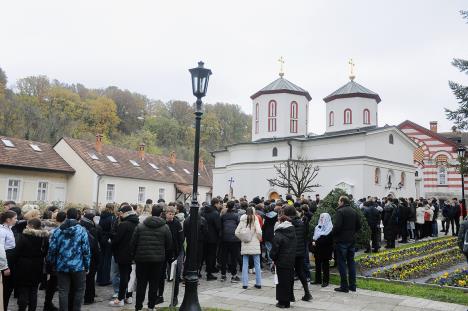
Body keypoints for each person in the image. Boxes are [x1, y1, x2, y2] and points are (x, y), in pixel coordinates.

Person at [47, 208, 90, 311]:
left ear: (66, 216)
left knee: (63, 291)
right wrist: (87, 265)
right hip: (78, 266)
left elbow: (52, 248)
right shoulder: (81, 230)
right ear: (77, 216)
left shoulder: (58, 230)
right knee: (79, 290)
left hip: (62, 265)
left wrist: (51, 262)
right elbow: (86, 250)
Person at [130, 204, 172, 311]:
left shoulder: (140, 226)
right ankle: (151, 306)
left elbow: (133, 243)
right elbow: (169, 244)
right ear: (161, 214)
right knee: (154, 284)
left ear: (151, 212)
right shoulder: (165, 227)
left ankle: (138, 307)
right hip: (157, 260)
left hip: (141, 259)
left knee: (141, 284)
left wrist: (134, 256)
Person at [14, 218, 49, 311]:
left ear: (32, 226)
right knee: (34, 290)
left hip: (24, 265)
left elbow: (17, 251)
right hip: (38, 265)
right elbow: (46, 252)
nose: (26, 226)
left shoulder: (23, 236)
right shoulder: (44, 238)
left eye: (27, 224)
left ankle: (21, 309)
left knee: (23, 290)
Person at [109, 205, 139, 307]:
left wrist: (111, 242)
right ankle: (128, 296)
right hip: (133, 254)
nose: (120, 215)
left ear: (125, 213)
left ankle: (120, 299)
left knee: (124, 276)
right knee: (130, 276)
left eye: (121, 213)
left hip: (123, 254)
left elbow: (117, 240)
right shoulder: (137, 223)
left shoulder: (124, 224)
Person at [333, 196, 361, 293]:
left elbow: (337, 227)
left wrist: (333, 234)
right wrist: (353, 233)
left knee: (341, 263)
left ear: (342, 202)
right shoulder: (354, 211)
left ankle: (344, 286)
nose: (337, 202)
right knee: (351, 263)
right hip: (351, 240)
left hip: (342, 240)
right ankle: (352, 285)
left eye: (338, 200)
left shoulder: (340, 211)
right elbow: (359, 225)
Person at [284, 206, 311, 301]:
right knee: (300, 272)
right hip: (300, 251)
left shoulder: (287, 224)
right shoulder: (301, 222)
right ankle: (307, 293)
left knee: (290, 273)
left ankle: (291, 295)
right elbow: (305, 237)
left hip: (290, 252)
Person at [270, 215, 296, 309]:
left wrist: (272, 257)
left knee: (281, 282)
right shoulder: (293, 232)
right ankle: (287, 302)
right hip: (290, 260)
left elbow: (274, 250)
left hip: (281, 261)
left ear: (281, 222)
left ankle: (281, 302)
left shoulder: (279, 233)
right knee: (288, 281)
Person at [235, 206, 262, 289]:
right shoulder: (255, 219)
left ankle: (245, 284)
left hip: (245, 244)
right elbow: (259, 231)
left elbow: (236, 232)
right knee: (257, 264)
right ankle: (258, 283)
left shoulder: (242, 220)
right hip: (255, 244)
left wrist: (242, 238)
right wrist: (259, 238)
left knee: (245, 264)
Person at [43, 210, 66, 311]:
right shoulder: (58, 231)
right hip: (57, 261)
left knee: (52, 282)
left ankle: (47, 303)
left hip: (51, 260)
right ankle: (48, 304)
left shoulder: (51, 230)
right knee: (55, 283)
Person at [200, 198, 222, 281]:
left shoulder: (202, 212)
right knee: (211, 256)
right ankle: (209, 274)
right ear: (215, 204)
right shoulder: (215, 213)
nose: (220, 205)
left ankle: (198, 272)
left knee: (203, 255)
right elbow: (218, 227)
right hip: (212, 238)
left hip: (203, 237)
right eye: (219, 203)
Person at [220, 201, 241, 283]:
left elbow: (220, 226)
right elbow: (239, 226)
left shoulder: (223, 216)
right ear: (233, 207)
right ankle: (233, 275)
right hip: (234, 239)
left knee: (224, 257)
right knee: (233, 258)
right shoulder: (236, 216)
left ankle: (223, 275)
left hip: (224, 238)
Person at [0, 210, 17, 311]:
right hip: (6, 259)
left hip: (10, 258)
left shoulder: (8, 228)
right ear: (8, 220)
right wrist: (5, 266)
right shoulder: (2, 231)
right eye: (15, 218)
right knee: (5, 288)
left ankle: (4, 307)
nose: (16, 220)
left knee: (9, 287)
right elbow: (1, 249)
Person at [312, 213, 333, 287]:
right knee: (317, 264)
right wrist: (313, 241)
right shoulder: (318, 226)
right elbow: (315, 235)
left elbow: (327, 239)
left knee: (325, 265)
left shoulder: (330, 227)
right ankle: (318, 280)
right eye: (321, 217)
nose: (321, 219)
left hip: (325, 249)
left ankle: (325, 281)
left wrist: (316, 242)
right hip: (317, 248)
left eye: (323, 218)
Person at [97, 203, 115, 286]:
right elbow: (112, 229)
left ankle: (99, 278)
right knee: (107, 260)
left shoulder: (102, 215)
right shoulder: (111, 217)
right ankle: (105, 279)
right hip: (108, 239)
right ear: (112, 208)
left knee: (101, 259)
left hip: (101, 238)